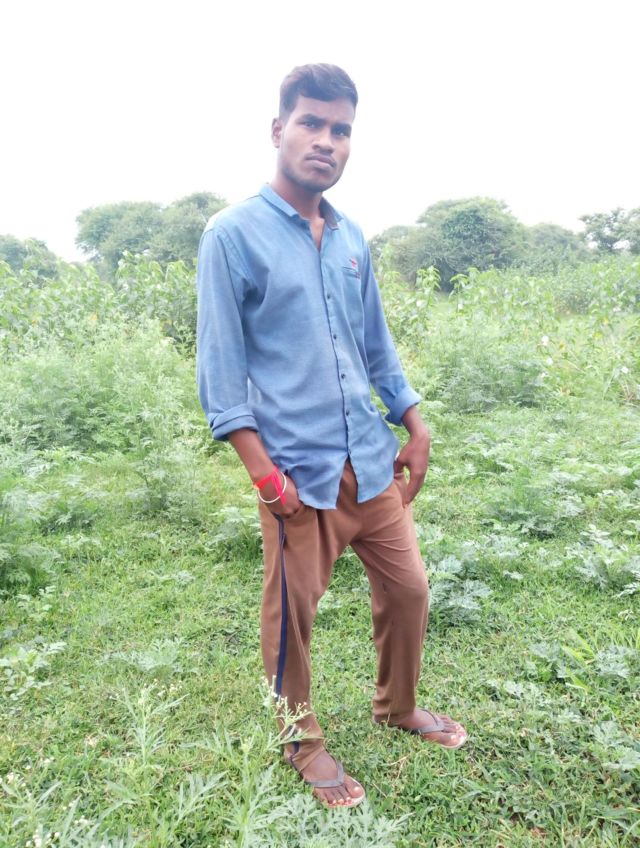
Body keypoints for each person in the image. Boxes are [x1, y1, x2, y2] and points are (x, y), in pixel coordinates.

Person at [196, 63, 467, 809]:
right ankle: (302, 742)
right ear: (277, 129)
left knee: (409, 590)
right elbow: (221, 372)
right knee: (292, 620)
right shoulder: (232, 235)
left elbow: (374, 343)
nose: (326, 140)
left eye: (341, 129)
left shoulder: (350, 238)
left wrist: (415, 423)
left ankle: (398, 706)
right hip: (296, 474)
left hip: (371, 464)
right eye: (311, 123)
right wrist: (265, 478)